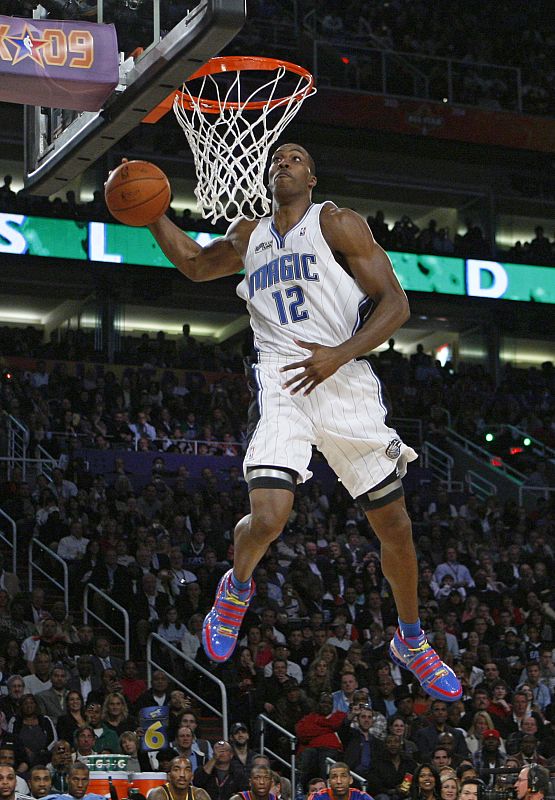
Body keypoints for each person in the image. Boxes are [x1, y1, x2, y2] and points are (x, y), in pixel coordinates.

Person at [145, 143, 461, 702]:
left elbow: (396, 304)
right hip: (282, 382)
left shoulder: (337, 224)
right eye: (277, 158)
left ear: (312, 176)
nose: (283, 162)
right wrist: (151, 213)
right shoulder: (248, 235)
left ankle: (410, 640)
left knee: (396, 527)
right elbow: (194, 264)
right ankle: (236, 588)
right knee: (268, 518)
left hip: (343, 379)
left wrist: (339, 353)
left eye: (295, 157)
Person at [309, 762, 374, 800]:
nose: (339, 781)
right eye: (334, 777)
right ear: (329, 782)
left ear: (350, 780)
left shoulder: (361, 797)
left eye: (343, 776)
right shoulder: (317, 797)